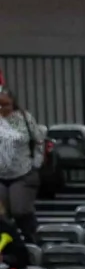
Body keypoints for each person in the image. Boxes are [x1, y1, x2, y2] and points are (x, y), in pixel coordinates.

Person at [0, 85, 45, 231]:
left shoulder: (25, 118)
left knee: (19, 210)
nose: (2, 108)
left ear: (13, 103)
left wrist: (36, 163)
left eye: (5, 104)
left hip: (23, 173)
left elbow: (39, 141)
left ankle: (32, 237)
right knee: (2, 215)